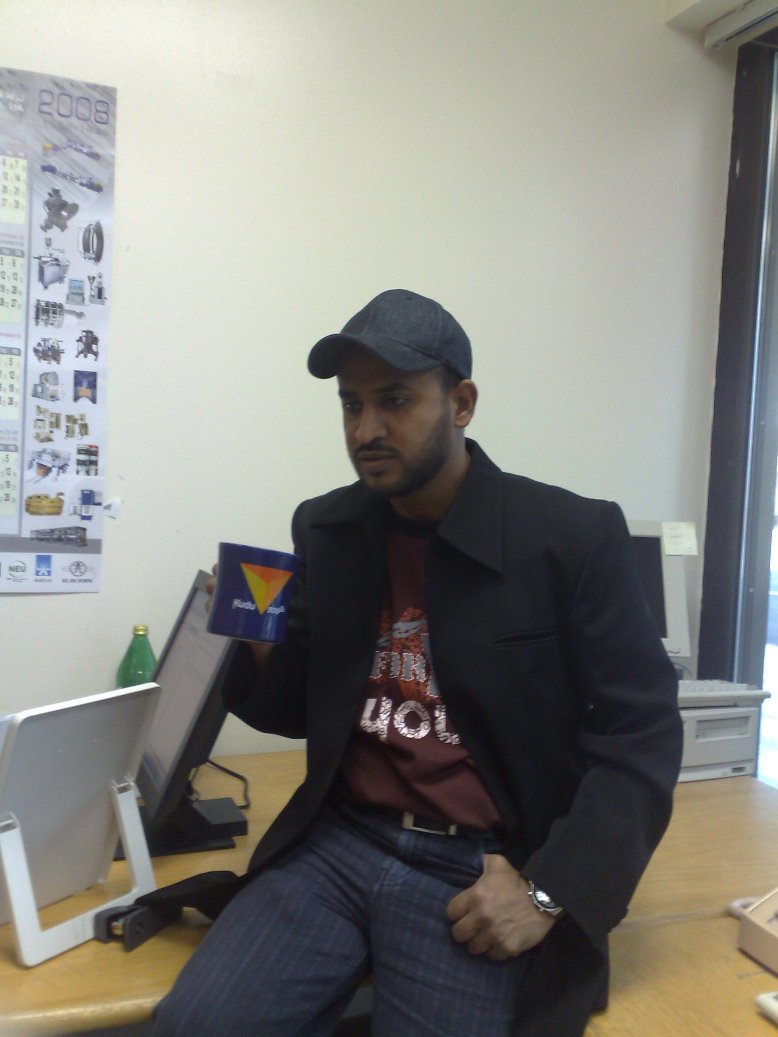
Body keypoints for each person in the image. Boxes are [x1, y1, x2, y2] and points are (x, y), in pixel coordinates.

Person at [152, 288, 682, 1037]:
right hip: (338, 843)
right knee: (192, 1027)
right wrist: (258, 650)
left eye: (394, 400)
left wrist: (547, 892)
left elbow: (642, 736)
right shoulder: (327, 527)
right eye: (351, 404)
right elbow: (300, 710)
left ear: (461, 403)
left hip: (476, 871)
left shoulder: (570, 537)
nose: (366, 429)